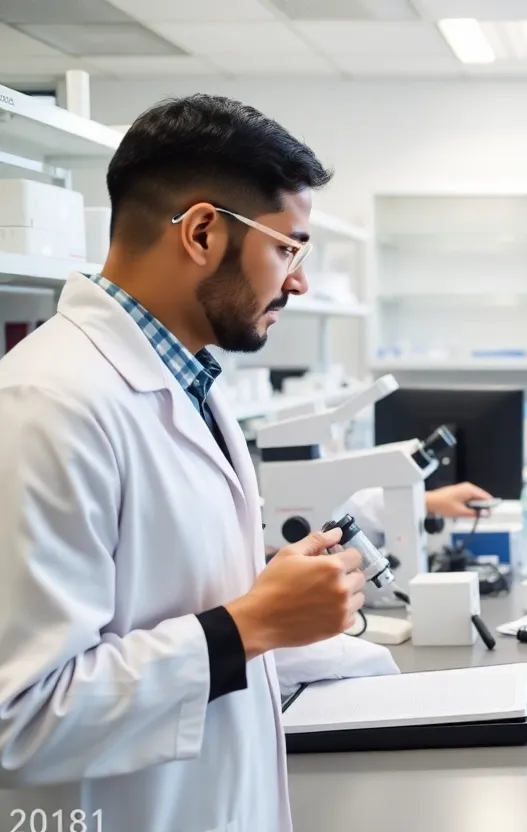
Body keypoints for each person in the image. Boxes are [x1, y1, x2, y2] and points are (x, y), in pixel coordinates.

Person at [0, 95, 400, 830]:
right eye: (288, 249)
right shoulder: (47, 403)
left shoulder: (190, 384)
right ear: (204, 233)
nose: (300, 282)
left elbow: (169, 604)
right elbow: (20, 718)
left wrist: (277, 600)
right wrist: (251, 624)